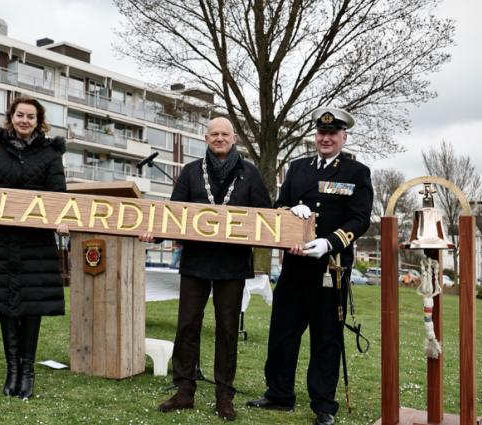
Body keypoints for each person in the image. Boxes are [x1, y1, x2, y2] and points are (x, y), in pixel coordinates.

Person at [247, 107, 373, 425]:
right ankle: (279, 394)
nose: (325, 138)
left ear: (343, 137)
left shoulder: (357, 173)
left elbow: (360, 219)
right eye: (321, 133)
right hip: (295, 265)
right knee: (282, 332)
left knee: (326, 337)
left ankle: (324, 405)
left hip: (331, 270)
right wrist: (291, 212)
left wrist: (330, 242)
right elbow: (279, 207)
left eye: (332, 134)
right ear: (315, 136)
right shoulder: (298, 168)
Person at [141, 116, 272, 421]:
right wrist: (154, 234)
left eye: (224, 134)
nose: (219, 138)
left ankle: (224, 395)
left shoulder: (250, 173)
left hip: (233, 266)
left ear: (234, 138)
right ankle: (184, 390)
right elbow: (173, 214)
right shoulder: (190, 172)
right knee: (187, 326)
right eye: (214, 134)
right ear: (206, 138)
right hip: (195, 263)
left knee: (227, 330)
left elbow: (265, 218)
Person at [0, 96, 68, 400]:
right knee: (6, 307)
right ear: (11, 117)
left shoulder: (51, 154)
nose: (25, 120)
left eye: (31, 117)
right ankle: (12, 370)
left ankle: (28, 373)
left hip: (36, 243)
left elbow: (58, 195)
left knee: (32, 306)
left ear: (39, 121)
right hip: (2, 240)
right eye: (20, 115)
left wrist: (63, 221)